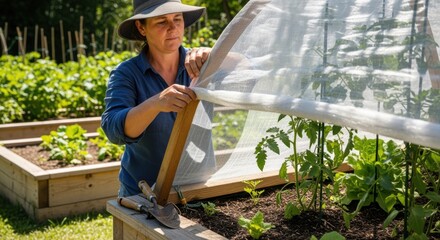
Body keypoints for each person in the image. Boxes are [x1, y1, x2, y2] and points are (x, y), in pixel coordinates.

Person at [101, 0, 211, 197]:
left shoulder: (203, 64)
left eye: (177, 19)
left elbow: (250, 68)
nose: (173, 27)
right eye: (161, 21)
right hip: (143, 192)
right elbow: (113, 129)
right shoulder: (126, 73)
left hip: (199, 187)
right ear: (141, 28)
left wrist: (217, 56)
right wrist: (156, 103)